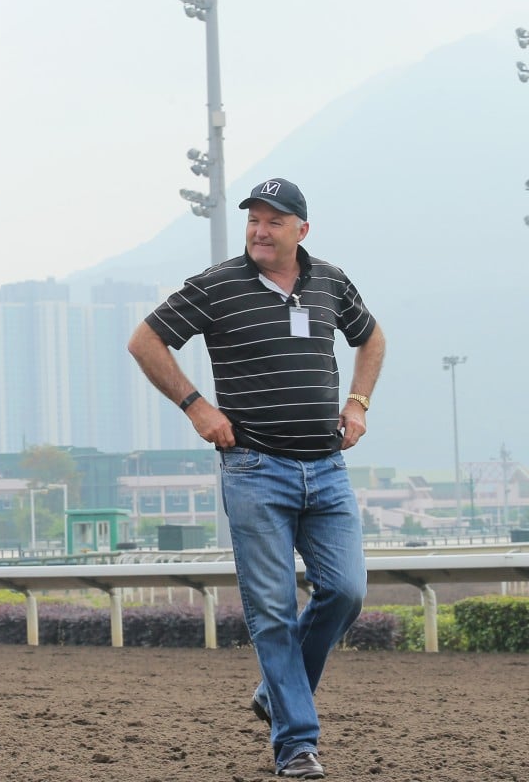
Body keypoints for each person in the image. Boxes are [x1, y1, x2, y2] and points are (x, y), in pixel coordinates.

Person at [127, 178, 385, 779]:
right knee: (271, 610)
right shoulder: (217, 286)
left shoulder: (331, 282)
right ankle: (296, 744)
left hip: (326, 469)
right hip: (254, 469)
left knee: (346, 592)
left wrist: (358, 404)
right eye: (254, 220)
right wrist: (196, 405)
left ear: (302, 229)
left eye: (274, 220)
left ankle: (275, 693)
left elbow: (370, 338)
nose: (260, 230)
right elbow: (145, 341)